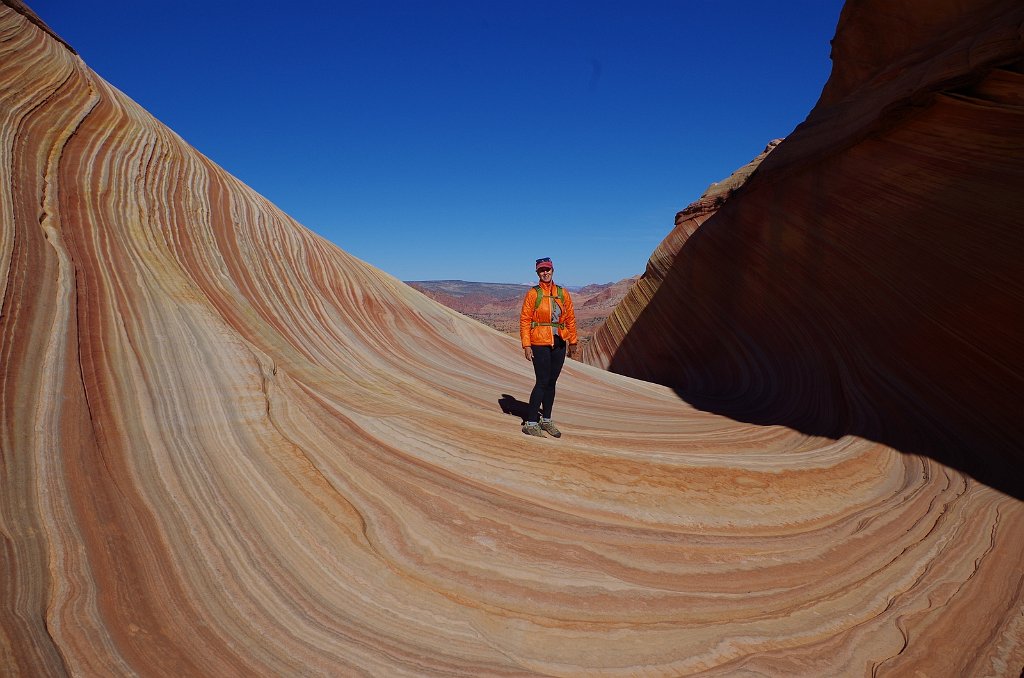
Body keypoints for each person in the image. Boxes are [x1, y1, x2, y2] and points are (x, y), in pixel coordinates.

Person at [519, 257, 578, 437]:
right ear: (537, 273)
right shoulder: (533, 293)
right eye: (541, 270)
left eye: (548, 269)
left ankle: (546, 419)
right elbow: (525, 320)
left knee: (552, 383)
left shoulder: (562, 293)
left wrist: (573, 341)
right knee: (542, 382)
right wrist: (526, 345)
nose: (545, 273)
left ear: (553, 271)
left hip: (559, 341)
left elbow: (570, 318)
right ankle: (530, 422)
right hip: (540, 343)